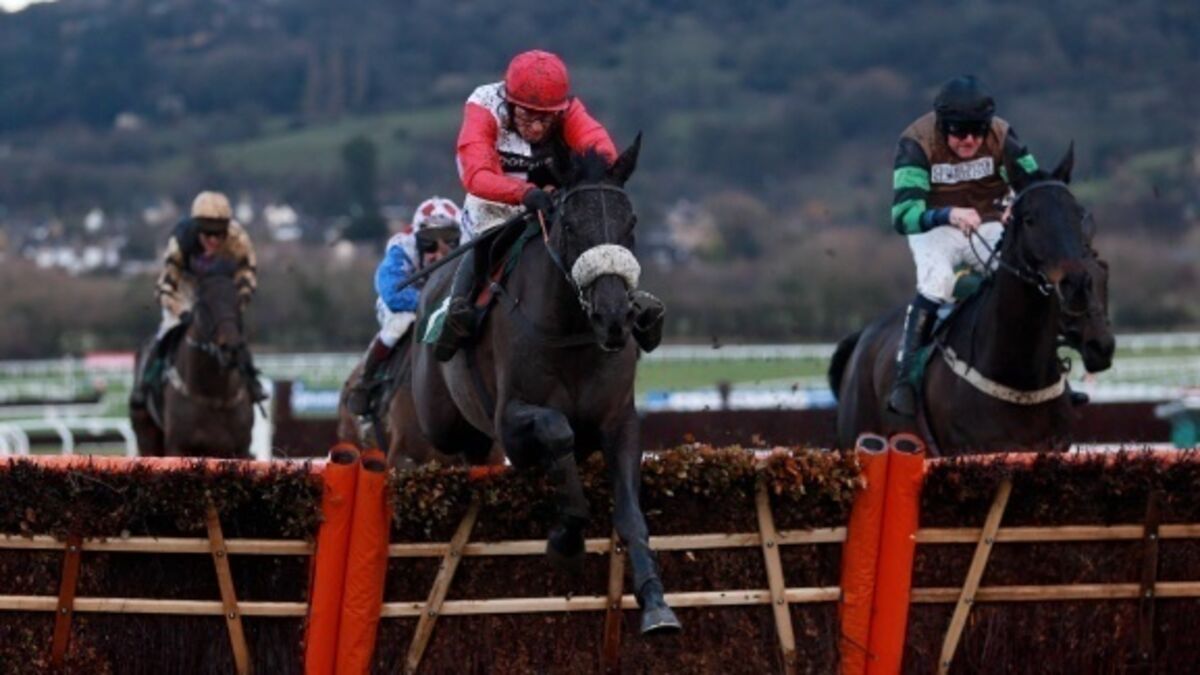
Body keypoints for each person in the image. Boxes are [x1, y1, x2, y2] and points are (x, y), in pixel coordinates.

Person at [434, 49, 664, 361]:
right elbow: (477, 174)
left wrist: (591, 178)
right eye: (527, 115)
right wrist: (524, 193)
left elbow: (601, 151)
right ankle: (458, 308)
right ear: (509, 101)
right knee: (486, 241)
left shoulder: (569, 111)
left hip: (550, 197)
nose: (537, 128)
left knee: (595, 228)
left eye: (545, 117)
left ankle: (626, 304)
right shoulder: (483, 106)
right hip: (494, 199)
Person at [887, 75, 1040, 417]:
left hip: (989, 221)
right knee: (938, 281)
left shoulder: (1002, 135)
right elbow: (903, 215)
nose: (969, 140)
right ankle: (905, 379)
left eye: (977, 131)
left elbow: (1035, 182)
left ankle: (1049, 372)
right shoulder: (916, 142)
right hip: (934, 227)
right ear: (943, 126)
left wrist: (1020, 204)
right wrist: (947, 214)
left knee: (1024, 277)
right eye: (959, 132)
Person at [131, 191, 266, 406]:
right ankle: (146, 382)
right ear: (197, 230)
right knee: (168, 330)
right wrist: (181, 312)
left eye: (219, 234)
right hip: (185, 288)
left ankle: (251, 381)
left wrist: (241, 296)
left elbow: (247, 270)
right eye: (208, 234)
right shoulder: (181, 240)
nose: (214, 240)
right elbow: (166, 287)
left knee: (232, 331)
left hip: (220, 290)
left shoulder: (238, 238)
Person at [346, 197, 468, 415]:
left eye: (449, 240)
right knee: (401, 323)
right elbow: (391, 292)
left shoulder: (470, 242)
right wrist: (430, 305)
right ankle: (366, 380)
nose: (439, 253)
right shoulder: (402, 248)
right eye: (429, 243)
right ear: (416, 239)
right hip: (406, 303)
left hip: (449, 301)